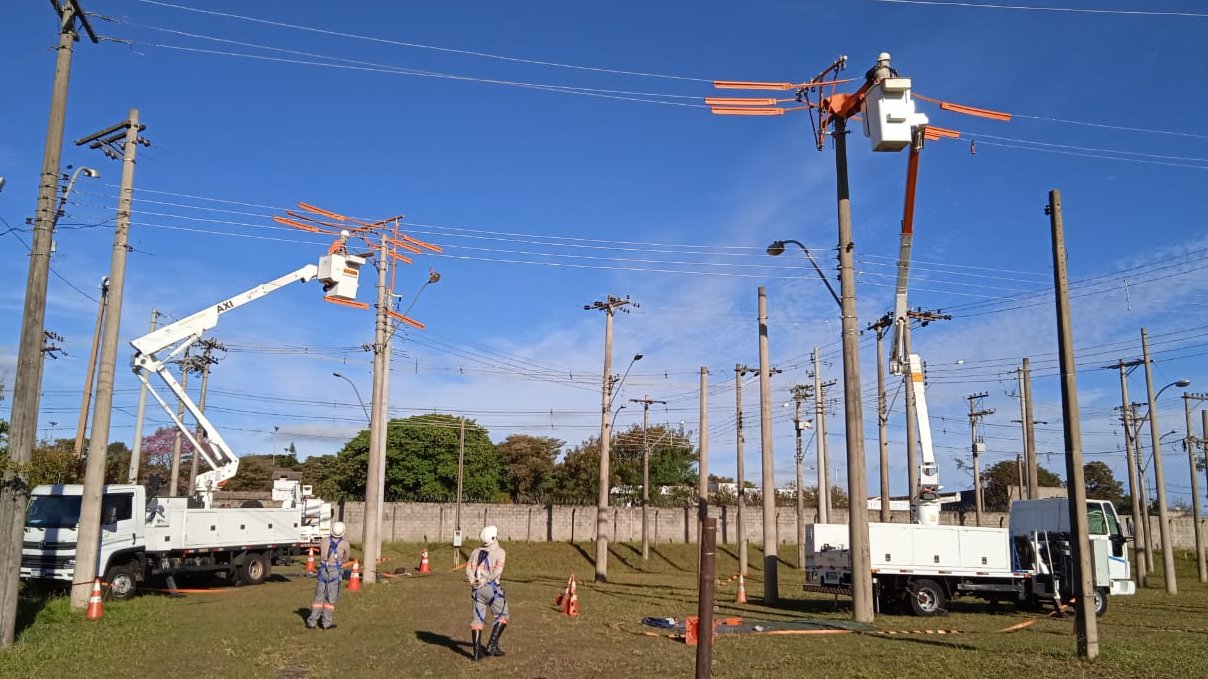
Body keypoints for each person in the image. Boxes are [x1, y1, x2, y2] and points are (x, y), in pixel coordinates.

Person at [466, 525, 508, 661]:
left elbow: (468, 569)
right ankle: (492, 646)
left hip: (477, 590)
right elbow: (497, 571)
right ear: (494, 537)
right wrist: (485, 581)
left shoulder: (475, 552)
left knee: (477, 620)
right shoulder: (500, 552)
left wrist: (473, 581)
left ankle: (477, 653)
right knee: (503, 615)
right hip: (492, 589)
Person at [306, 521, 350, 630]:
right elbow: (346, 558)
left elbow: (321, 552)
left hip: (322, 570)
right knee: (330, 599)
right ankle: (326, 623)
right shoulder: (345, 544)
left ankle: (312, 622)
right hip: (335, 571)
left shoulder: (324, 541)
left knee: (318, 598)